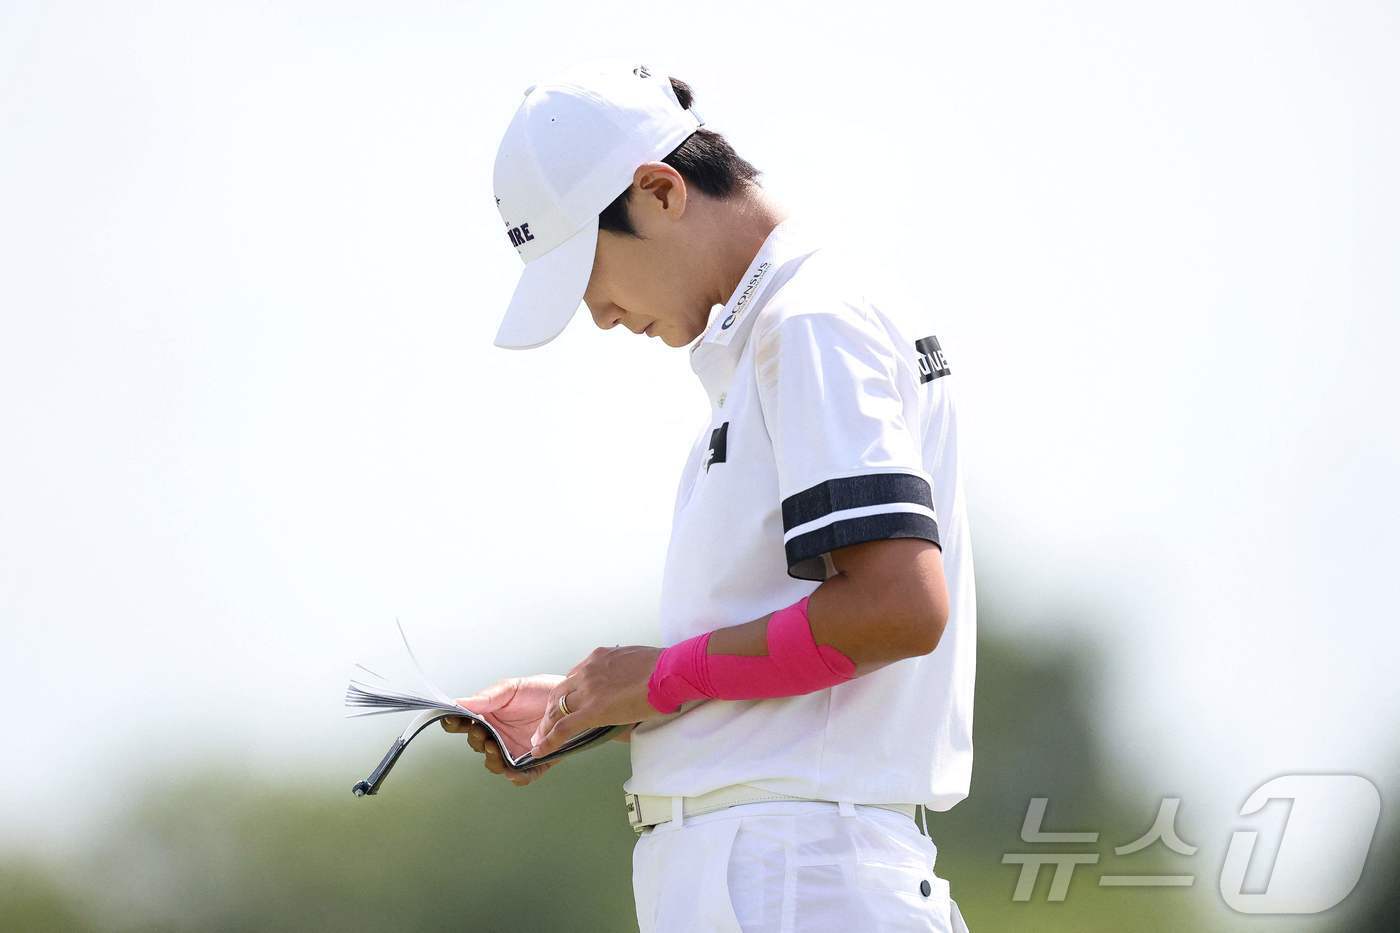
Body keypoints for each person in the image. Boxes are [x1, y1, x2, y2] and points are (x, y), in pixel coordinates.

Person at [443, 59, 975, 932]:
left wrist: (658, 678)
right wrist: (600, 701)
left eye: (588, 270)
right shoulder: (776, 332)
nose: (598, 314)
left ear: (659, 191)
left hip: (802, 875)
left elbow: (898, 607)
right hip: (792, 868)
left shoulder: (810, 321)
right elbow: (787, 646)